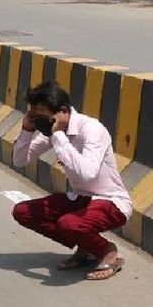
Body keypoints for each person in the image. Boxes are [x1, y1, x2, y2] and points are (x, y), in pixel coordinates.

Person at [12, 81, 132, 281]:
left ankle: (107, 251)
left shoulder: (92, 130)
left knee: (69, 224)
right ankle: (86, 246)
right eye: (35, 117)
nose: (40, 123)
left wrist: (58, 136)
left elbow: (87, 174)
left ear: (63, 111)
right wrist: (26, 130)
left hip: (111, 202)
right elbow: (20, 160)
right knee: (23, 212)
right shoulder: (53, 131)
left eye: (43, 117)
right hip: (79, 198)